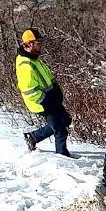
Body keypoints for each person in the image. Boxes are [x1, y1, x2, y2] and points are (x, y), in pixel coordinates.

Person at [15, 28, 72, 157]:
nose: (40, 45)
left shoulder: (35, 60)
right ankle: (62, 156)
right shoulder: (26, 65)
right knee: (60, 128)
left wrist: (56, 89)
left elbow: (47, 77)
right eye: (37, 43)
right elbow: (29, 90)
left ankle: (33, 137)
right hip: (41, 103)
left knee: (65, 120)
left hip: (50, 99)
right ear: (28, 44)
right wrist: (46, 101)